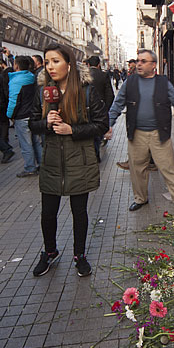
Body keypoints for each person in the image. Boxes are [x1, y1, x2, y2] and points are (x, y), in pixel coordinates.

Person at [28, 44, 107, 279]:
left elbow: (102, 124)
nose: (50, 67)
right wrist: (47, 123)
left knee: (79, 212)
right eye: (47, 61)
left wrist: (71, 129)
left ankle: (79, 255)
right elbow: (32, 123)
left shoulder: (87, 91)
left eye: (55, 61)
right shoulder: (42, 91)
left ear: (69, 64)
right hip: (52, 159)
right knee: (48, 213)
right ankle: (50, 252)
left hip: (79, 159)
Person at [106, 49, 174, 211]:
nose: (139, 64)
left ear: (153, 65)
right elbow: (118, 104)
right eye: (138, 61)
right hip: (136, 134)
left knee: (168, 166)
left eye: (143, 61)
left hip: (159, 133)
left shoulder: (162, 82)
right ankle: (140, 198)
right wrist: (108, 123)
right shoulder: (130, 83)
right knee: (137, 168)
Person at [7, 56, 38, 177]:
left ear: (16, 66)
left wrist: (10, 115)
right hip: (33, 114)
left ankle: (30, 167)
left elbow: (13, 100)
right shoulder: (31, 77)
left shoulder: (16, 80)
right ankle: (41, 164)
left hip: (22, 115)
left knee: (26, 143)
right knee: (36, 141)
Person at [85, 55, 115, 158]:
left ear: (88, 64)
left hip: (87, 107)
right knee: (97, 130)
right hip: (100, 107)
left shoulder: (84, 75)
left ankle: (93, 153)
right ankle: (96, 152)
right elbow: (110, 94)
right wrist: (106, 108)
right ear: (99, 65)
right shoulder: (103, 75)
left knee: (90, 131)